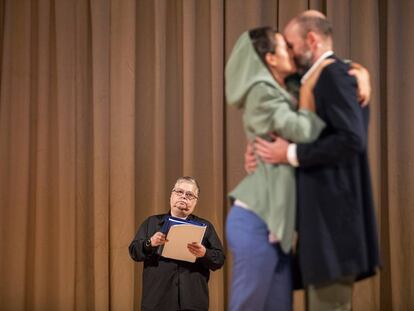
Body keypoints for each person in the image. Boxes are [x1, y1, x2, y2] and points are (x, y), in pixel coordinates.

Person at [249, 11, 380, 311]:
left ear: (311, 40)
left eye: (291, 46)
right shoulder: (315, 77)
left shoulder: (332, 74)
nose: (290, 55)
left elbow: (351, 139)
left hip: (333, 224)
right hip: (320, 224)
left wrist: (289, 154)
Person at [225, 27, 331, 311]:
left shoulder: (289, 87)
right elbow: (304, 130)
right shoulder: (261, 93)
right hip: (255, 223)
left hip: (277, 230)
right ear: (271, 58)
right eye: (285, 47)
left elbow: (325, 67)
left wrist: (360, 71)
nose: (292, 52)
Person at [129, 176, 225, 311]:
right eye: (179, 192)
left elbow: (219, 259)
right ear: (171, 196)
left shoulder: (205, 226)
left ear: (195, 202)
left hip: (193, 301)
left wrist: (204, 253)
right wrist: (150, 243)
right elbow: (134, 252)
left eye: (190, 195)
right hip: (157, 301)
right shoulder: (151, 223)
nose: (183, 197)